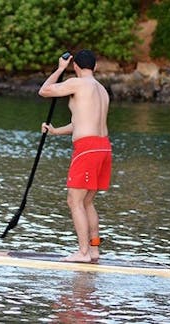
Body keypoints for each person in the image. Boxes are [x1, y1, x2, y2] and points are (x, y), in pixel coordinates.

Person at [38, 50, 112, 263]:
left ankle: (82, 253)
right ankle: (94, 250)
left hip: (87, 149)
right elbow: (83, 123)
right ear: (95, 67)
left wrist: (60, 68)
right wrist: (55, 131)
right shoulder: (101, 90)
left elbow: (44, 91)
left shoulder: (78, 83)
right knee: (87, 202)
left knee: (74, 201)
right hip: (103, 147)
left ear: (76, 67)